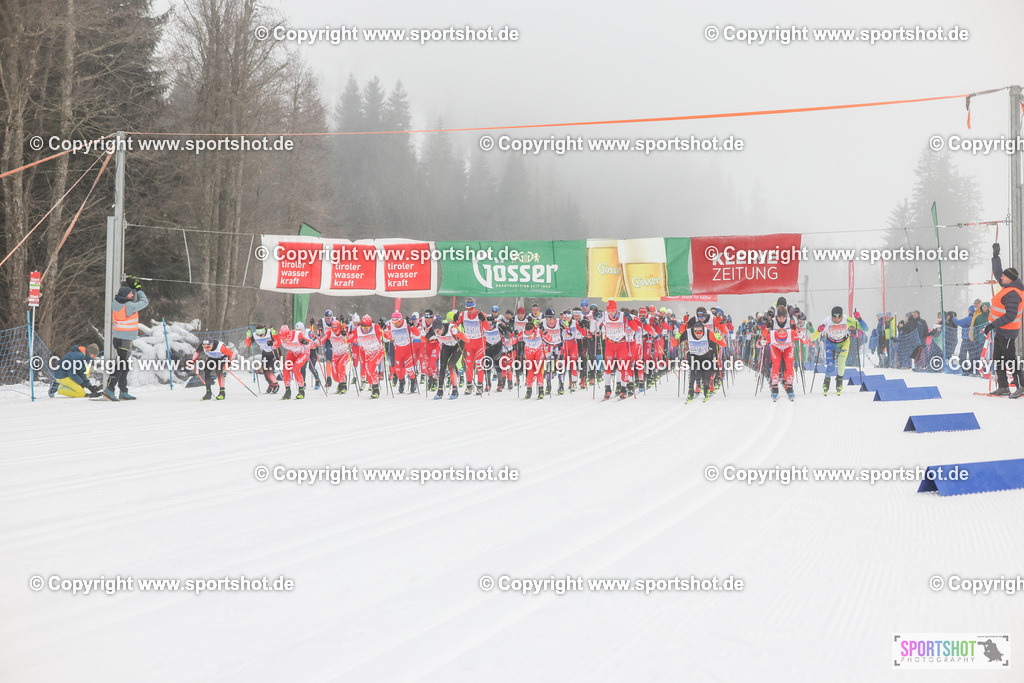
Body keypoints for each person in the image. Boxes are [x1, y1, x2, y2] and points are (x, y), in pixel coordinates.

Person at [985, 243, 1024, 397]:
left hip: (1008, 331)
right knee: (999, 358)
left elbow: (1010, 316)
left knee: (1009, 358)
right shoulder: (1008, 286)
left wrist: (992, 325)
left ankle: (1020, 386)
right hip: (1001, 330)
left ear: (1010, 279)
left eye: (1004, 277)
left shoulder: (1013, 293)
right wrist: (996, 257)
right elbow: (998, 273)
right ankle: (1003, 387)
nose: (1001, 278)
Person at [104, 277, 149, 401]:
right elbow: (144, 302)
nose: (132, 294)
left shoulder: (117, 303)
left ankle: (123, 391)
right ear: (126, 296)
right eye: (130, 293)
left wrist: (132, 289)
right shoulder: (129, 306)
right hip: (125, 339)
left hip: (118, 338)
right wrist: (138, 289)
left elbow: (130, 300)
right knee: (122, 365)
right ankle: (109, 388)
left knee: (124, 365)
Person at [812, 307, 867, 395]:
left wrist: (859, 319)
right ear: (831, 316)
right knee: (831, 366)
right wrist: (819, 330)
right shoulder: (827, 321)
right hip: (831, 343)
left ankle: (839, 381)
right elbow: (813, 337)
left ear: (841, 316)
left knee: (841, 361)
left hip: (844, 342)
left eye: (838, 317)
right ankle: (826, 381)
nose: (837, 319)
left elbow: (865, 329)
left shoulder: (846, 319)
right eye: (834, 317)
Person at [760, 303, 797, 401]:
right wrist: (766, 330)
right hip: (776, 347)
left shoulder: (790, 321)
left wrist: (799, 334)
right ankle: (775, 387)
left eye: (783, 317)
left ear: (786, 316)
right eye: (780, 317)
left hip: (788, 347)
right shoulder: (772, 322)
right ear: (776, 316)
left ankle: (789, 386)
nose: (781, 319)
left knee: (789, 366)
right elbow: (764, 334)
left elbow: (797, 333)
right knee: (776, 365)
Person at [348, 315, 388, 399]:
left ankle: (376, 389)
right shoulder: (358, 330)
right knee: (369, 376)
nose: (365, 329)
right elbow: (348, 339)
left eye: (368, 327)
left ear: (371, 325)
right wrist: (344, 334)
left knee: (371, 367)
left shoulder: (376, 327)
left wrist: (384, 329)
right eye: (363, 326)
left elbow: (389, 336)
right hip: (368, 354)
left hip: (378, 352)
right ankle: (372, 384)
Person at [386, 311, 418, 393]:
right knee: (398, 371)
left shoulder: (406, 323)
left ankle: (413, 381)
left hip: (408, 350)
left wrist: (412, 325)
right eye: (394, 322)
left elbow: (417, 334)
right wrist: (383, 329)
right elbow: (386, 335)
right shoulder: (390, 324)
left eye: (397, 322)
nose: (396, 324)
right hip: (398, 351)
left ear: (401, 320)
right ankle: (401, 382)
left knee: (409, 368)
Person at [245, 324, 279, 393]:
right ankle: (271, 384)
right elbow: (248, 344)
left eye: (262, 334)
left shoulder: (270, 332)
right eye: (259, 334)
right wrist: (247, 337)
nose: (260, 336)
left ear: (265, 331)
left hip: (273, 352)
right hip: (265, 353)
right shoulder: (254, 335)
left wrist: (273, 341)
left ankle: (276, 384)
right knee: (265, 372)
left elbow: (278, 341)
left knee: (270, 370)